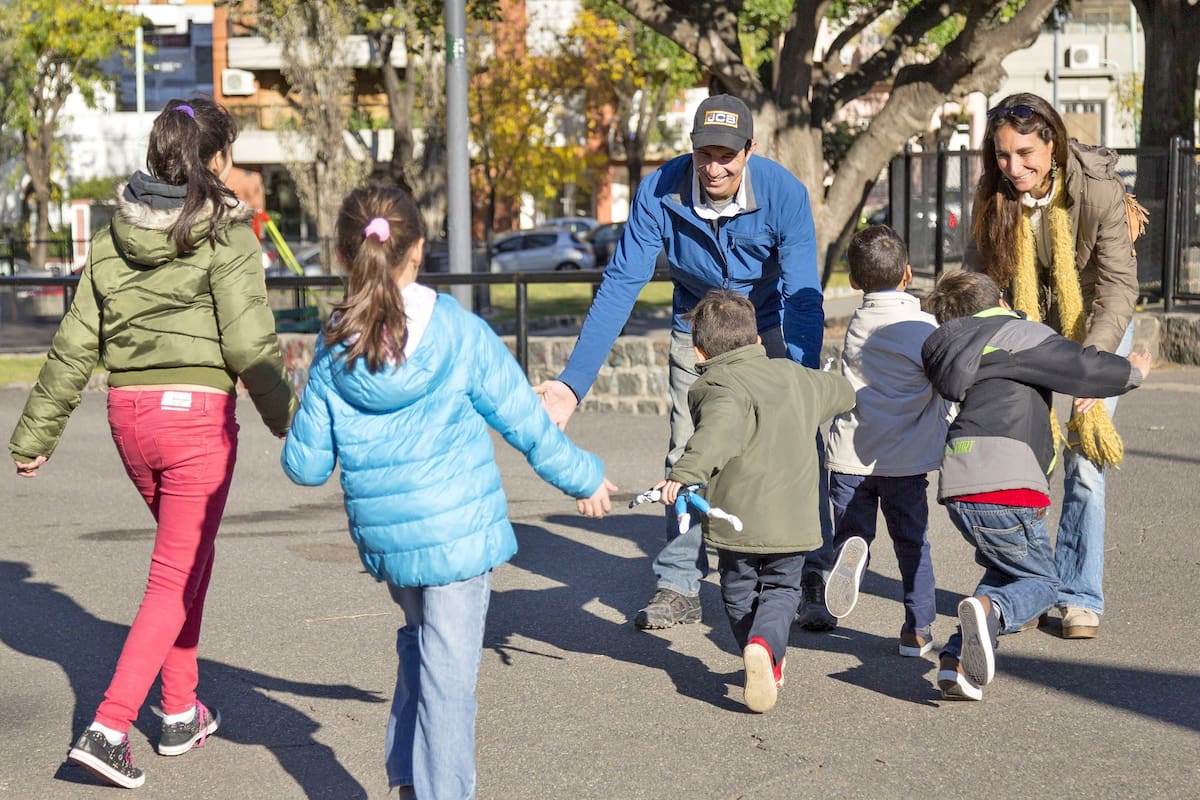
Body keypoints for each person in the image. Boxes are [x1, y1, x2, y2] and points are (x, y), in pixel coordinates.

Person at [280, 184, 616, 800]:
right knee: (449, 681)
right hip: (457, 536)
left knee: (421, 645)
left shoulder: (332, 346)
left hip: (389, 539)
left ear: (343, 252)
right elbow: (526, 424)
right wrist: (585, 476)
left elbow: (304, 468)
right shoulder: (459, 332)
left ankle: (407, 779)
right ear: (420, 250)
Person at [9, 96, 297, 788]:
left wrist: (36, 431)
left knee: (185, 561)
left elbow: (75, 344)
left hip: (130, 417)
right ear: (216, 159)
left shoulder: (112, 233)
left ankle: (177, 711)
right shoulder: (227, 231)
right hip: (195, 420)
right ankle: (109, 727)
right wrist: (295, 424)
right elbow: (250, 344)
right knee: (174, 575)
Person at [533, 93, 837, 631]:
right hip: (694, 327)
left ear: (750, 150)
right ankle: (679, 583)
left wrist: (803, 374)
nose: (713, 167)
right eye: (704, 154)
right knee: (687, 450)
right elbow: (621, 283)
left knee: (794, 442)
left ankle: (811, 570)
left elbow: (804, 292)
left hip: (767, 325)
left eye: (726, 155)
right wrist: (572, 385)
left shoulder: (784, 193)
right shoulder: (661, 189)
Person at [921, 271, 1151, 700]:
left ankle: (956, 665)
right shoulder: (1015, 334)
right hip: (1008, 484)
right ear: (1002, 300)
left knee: (1006, 570)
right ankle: (993, 614)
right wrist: (1132, 372)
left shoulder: (946, 347)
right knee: (1045, 585)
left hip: (959, 483)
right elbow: (1081, 366)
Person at [965, 92, 1143, 639]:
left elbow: (1118, 287)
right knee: (1022, 456)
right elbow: (978, 284)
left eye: (1024, 154)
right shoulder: (995, 195)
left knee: (1085, 460)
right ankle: (1023, 585)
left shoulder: (1097, 190)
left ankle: (1079, 594)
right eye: (1001, 156)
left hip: (1096, 323)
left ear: (1052, 143)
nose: (1013, 168)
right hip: (1028, 327)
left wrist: (1094, 366)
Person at [652, 290, 853, 712]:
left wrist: (684, 475)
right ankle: (765, 649)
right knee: (782, 590)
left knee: (738, 592)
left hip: (736, 522)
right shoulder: (796, 376)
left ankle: (756, 651)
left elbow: (712, 437)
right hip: (795, 522)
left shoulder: (716, 385)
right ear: (758, 341)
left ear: (700, 349)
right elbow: (841, 392)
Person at [821, 225, 947, 657]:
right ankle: (917, 629)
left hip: (850, 457)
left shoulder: (858, 324)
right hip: (904, 462)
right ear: (908, 274)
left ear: (854, 282)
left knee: (854, 530)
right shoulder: (924, 327)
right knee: (913, 545)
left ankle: (851, 551)